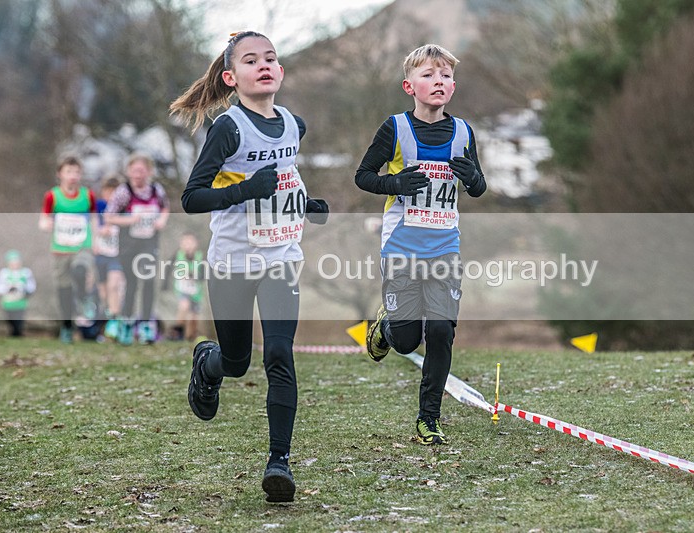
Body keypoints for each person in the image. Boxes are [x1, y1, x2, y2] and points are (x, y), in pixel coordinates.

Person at [171, 31, 328, 503]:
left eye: (271, 59)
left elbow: (284, 180)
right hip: (232, 263)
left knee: (279, 354)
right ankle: (208, 363)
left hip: (281, 258)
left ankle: (279, 463)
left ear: (280, 72)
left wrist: (304, 204)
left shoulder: (294, 125)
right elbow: (192, 198)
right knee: (237, 362)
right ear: (230, 77)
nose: (264, 66)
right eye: (250, 60)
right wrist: (245, 191)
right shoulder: (228, 128)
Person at [355, 44, 487, 445]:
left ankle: (429, 418)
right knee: (408, 339)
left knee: (443, 332)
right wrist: (393, 183)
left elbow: (479, 188)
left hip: (445, 247)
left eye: (446, 75)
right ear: (409, 85)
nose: (439, 82)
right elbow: (363, 176)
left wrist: (473, 180)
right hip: (401, 247)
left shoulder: (464, 132)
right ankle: (385, 329)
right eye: (429, 75)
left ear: (453, 85)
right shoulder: (394, 128)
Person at [104, 153, 170, 345]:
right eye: (134, 171)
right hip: (128, 245)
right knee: (131, 284)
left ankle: (147, 326)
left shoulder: (156, 190)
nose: (137, 175)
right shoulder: (123, 192)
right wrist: (129, 220)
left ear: (149, 172)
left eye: (141, 171)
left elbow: (165, 207)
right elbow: (109, 216)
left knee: (148, 281)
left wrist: (161, 220)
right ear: (128, 172)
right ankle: (126, 324)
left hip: (149, 243)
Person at [38, 155, 97, 343]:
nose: (73, 176)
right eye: (69, 172)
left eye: (77, 172)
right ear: (60, 174)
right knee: (63, 290)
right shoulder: (52, 196)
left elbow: (95, 218)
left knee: (80, 270)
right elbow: (44, 218)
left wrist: (95, 239)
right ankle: (66, 327)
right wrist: (46, 224)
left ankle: (83, 298)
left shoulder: (87, 195)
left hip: (82, 247)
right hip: (61, 249)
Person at [94, 174, 125, 340]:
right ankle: (109, 320)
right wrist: (99, 231)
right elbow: (89, 222)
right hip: (100, 255)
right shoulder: (98, 206)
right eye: (109, 192)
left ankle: (115, 322)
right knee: (103, 293)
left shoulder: (123, 208)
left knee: (115, 286)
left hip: (116, 255)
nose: (112, 196)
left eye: (115, 192)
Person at [161, 231, 205, 342]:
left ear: (196, 244)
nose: (187, 245)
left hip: (196, 291)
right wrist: (165, 284)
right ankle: (178, 331)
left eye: (190, 242)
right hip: (182, 289)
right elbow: (167, 267)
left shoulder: (201, 256)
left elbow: (205, 273)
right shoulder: (178, 254)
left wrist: (196, 276)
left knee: (193, 316)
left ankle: (191, 336)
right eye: (185, 243)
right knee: (184, 306)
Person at [0, 250, 36, 337]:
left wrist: (23, 288)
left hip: (21, 302)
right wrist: (7, 288)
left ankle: (17, 333)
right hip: (8, 302)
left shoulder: (26, 272)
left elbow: (32, 286)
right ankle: (14, 333)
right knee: (11, 320)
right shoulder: (4, 273)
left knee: (19, 319)